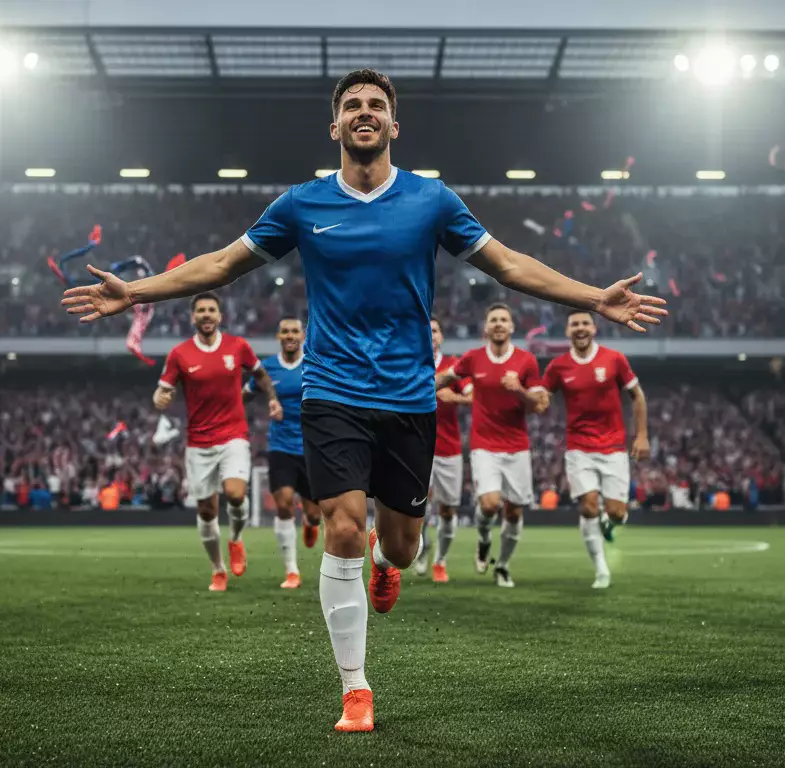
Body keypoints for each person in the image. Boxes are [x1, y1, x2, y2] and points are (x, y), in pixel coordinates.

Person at [60, 68, 667, 732]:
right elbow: (221, 264)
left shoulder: (432, 201)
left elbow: (510, 265)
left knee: (402, 545)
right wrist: (135, 291)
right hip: (333, 392)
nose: (365, 112)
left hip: (409, 399)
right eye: (352, 105)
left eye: (377, 105)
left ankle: (387, 563)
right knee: (343, 526)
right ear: (336, 125)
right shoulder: (301, 204)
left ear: (394, 125)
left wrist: (593, 297)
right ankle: (356, 688)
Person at [155, 293, 280, 592]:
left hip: (233, 435)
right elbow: (162, 390)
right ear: (193, 317)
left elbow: (261, 374)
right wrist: (161, 398)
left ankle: (236, 538)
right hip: (198, 443)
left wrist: (273, 399)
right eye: (201, 310)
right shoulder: (179, 354)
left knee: (236, 494)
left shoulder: (238, 346)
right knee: (207, 511)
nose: (207, 314)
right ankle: (217, 569)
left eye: (212, 310)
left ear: (220, 316)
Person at [436, 303, 547, 588]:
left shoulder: (526, 361)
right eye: (493, 320)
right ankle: (484, 539)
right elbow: (445, 378)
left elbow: (540, 404)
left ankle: (504, 566)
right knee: (489, 504)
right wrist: (412, 388)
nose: (498, 324)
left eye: (504, 320)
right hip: (484, 444)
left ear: (512, 327)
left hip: (517, 446)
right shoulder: (472, 358)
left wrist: (519, 390)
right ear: (486, 328)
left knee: (513, 511)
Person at [540, 311, 648, 589]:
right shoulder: (557, 367)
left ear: (594, 328)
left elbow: (637, 395)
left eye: (585, 323)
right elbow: (542, 399)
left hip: (613, 447)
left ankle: (609, 521)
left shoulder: (614, 359)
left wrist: (642, 436)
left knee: (616, 512)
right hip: (578, 448)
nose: (580, 328)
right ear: (567, 331)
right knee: (588, 506)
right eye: (574, 323)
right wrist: (524, 395)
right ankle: (601, 569)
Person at [245, 316, 322, 589]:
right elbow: (244, 394)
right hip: (280, 447)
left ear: (303, 336)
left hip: (312, 449)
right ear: (278, 336)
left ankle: (311, 524)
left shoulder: (315, 365)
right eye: (285, 331)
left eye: (295, 331)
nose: (290, 335)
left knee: (314, 514)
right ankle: (292, 571)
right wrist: (269, 403)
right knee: (284, 503)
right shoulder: (267, 369)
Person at [418, 316, 471, 584]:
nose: (431, 334)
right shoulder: (409, 362)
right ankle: (421, 548)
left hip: (449, 448)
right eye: (426, 330)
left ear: (441, 336)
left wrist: (456, 398)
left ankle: (440, 560)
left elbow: (474, 395)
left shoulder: (454, 365)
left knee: (448, 510)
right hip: (415, 449)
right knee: (416, 507)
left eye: (435, 330)